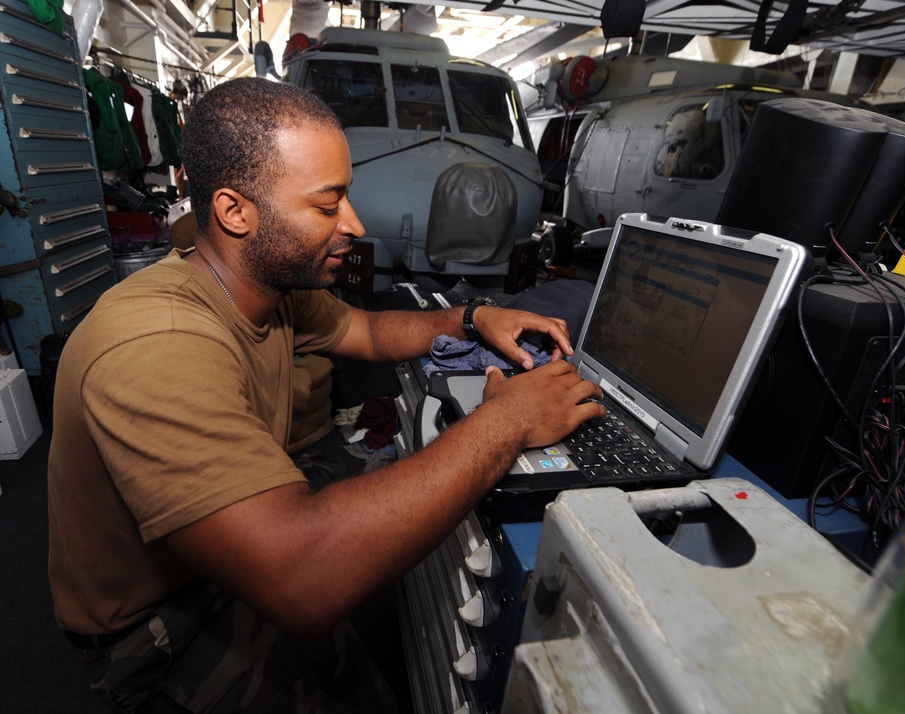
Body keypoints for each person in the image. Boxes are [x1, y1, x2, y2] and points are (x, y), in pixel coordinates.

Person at [47, 77, 604, 712]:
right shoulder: (155, 344)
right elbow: (303, 580)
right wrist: (506, 423)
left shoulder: (260, 277)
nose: (355, 224)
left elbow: (365, 329)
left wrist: (472, 318)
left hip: (219, 566)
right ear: (235, 212)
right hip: (156, 628)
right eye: (327, 204)